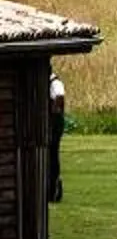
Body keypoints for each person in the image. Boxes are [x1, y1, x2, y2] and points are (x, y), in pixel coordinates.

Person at [45, 73, 64, 204]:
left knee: (53, 154)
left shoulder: (55, 83)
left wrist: (53, 112)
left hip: (55, 122)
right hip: (53, 121)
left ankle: (54, 188)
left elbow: (59, 97)